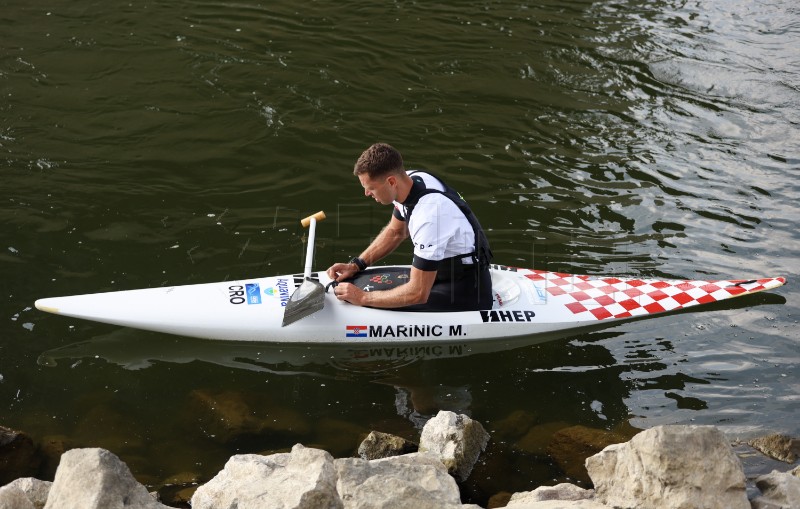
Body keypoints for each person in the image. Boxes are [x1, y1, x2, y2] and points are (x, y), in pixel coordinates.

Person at [327, 143, 493, 311]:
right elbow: (396, 231)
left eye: (371, 188)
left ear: (391, 181)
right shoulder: (411, 179)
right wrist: (357, 265)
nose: (367, 194)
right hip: (440, 274)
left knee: (369, 302)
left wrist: (363, 297)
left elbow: (418, 293)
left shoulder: (429, 216)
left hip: (464, 290)